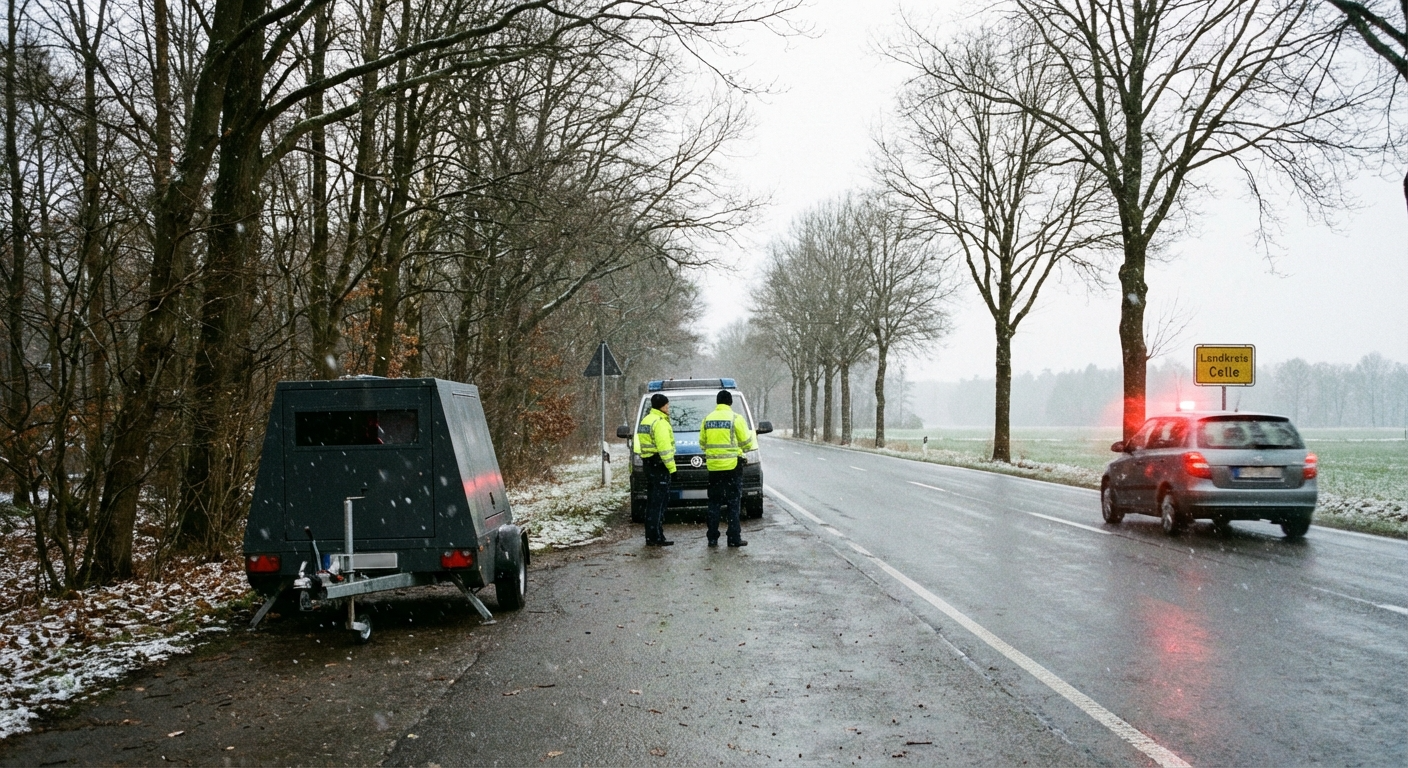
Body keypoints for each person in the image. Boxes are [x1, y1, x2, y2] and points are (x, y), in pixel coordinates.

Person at [698, 389, 757, 547]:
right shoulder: (736, 418)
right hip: (732, 467)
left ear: (717, 402)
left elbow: (702, 443)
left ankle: (712, 537)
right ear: (730, 403)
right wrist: (737, 449)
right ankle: (733, 538)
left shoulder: (707, 419)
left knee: (714, 503)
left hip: (714, 468)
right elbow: (747, 443)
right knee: (733, 503)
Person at [634, 393, 676, 546]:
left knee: (652, 502)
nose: (668, 408)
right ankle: (656, 537)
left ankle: (651, 535)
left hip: (649, 464)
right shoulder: (660, 423)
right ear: (662, 406)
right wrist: (672, 469)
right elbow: (664, 449)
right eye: (667, 405)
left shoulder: (646, 420)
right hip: (660, 466)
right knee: (659, 503)